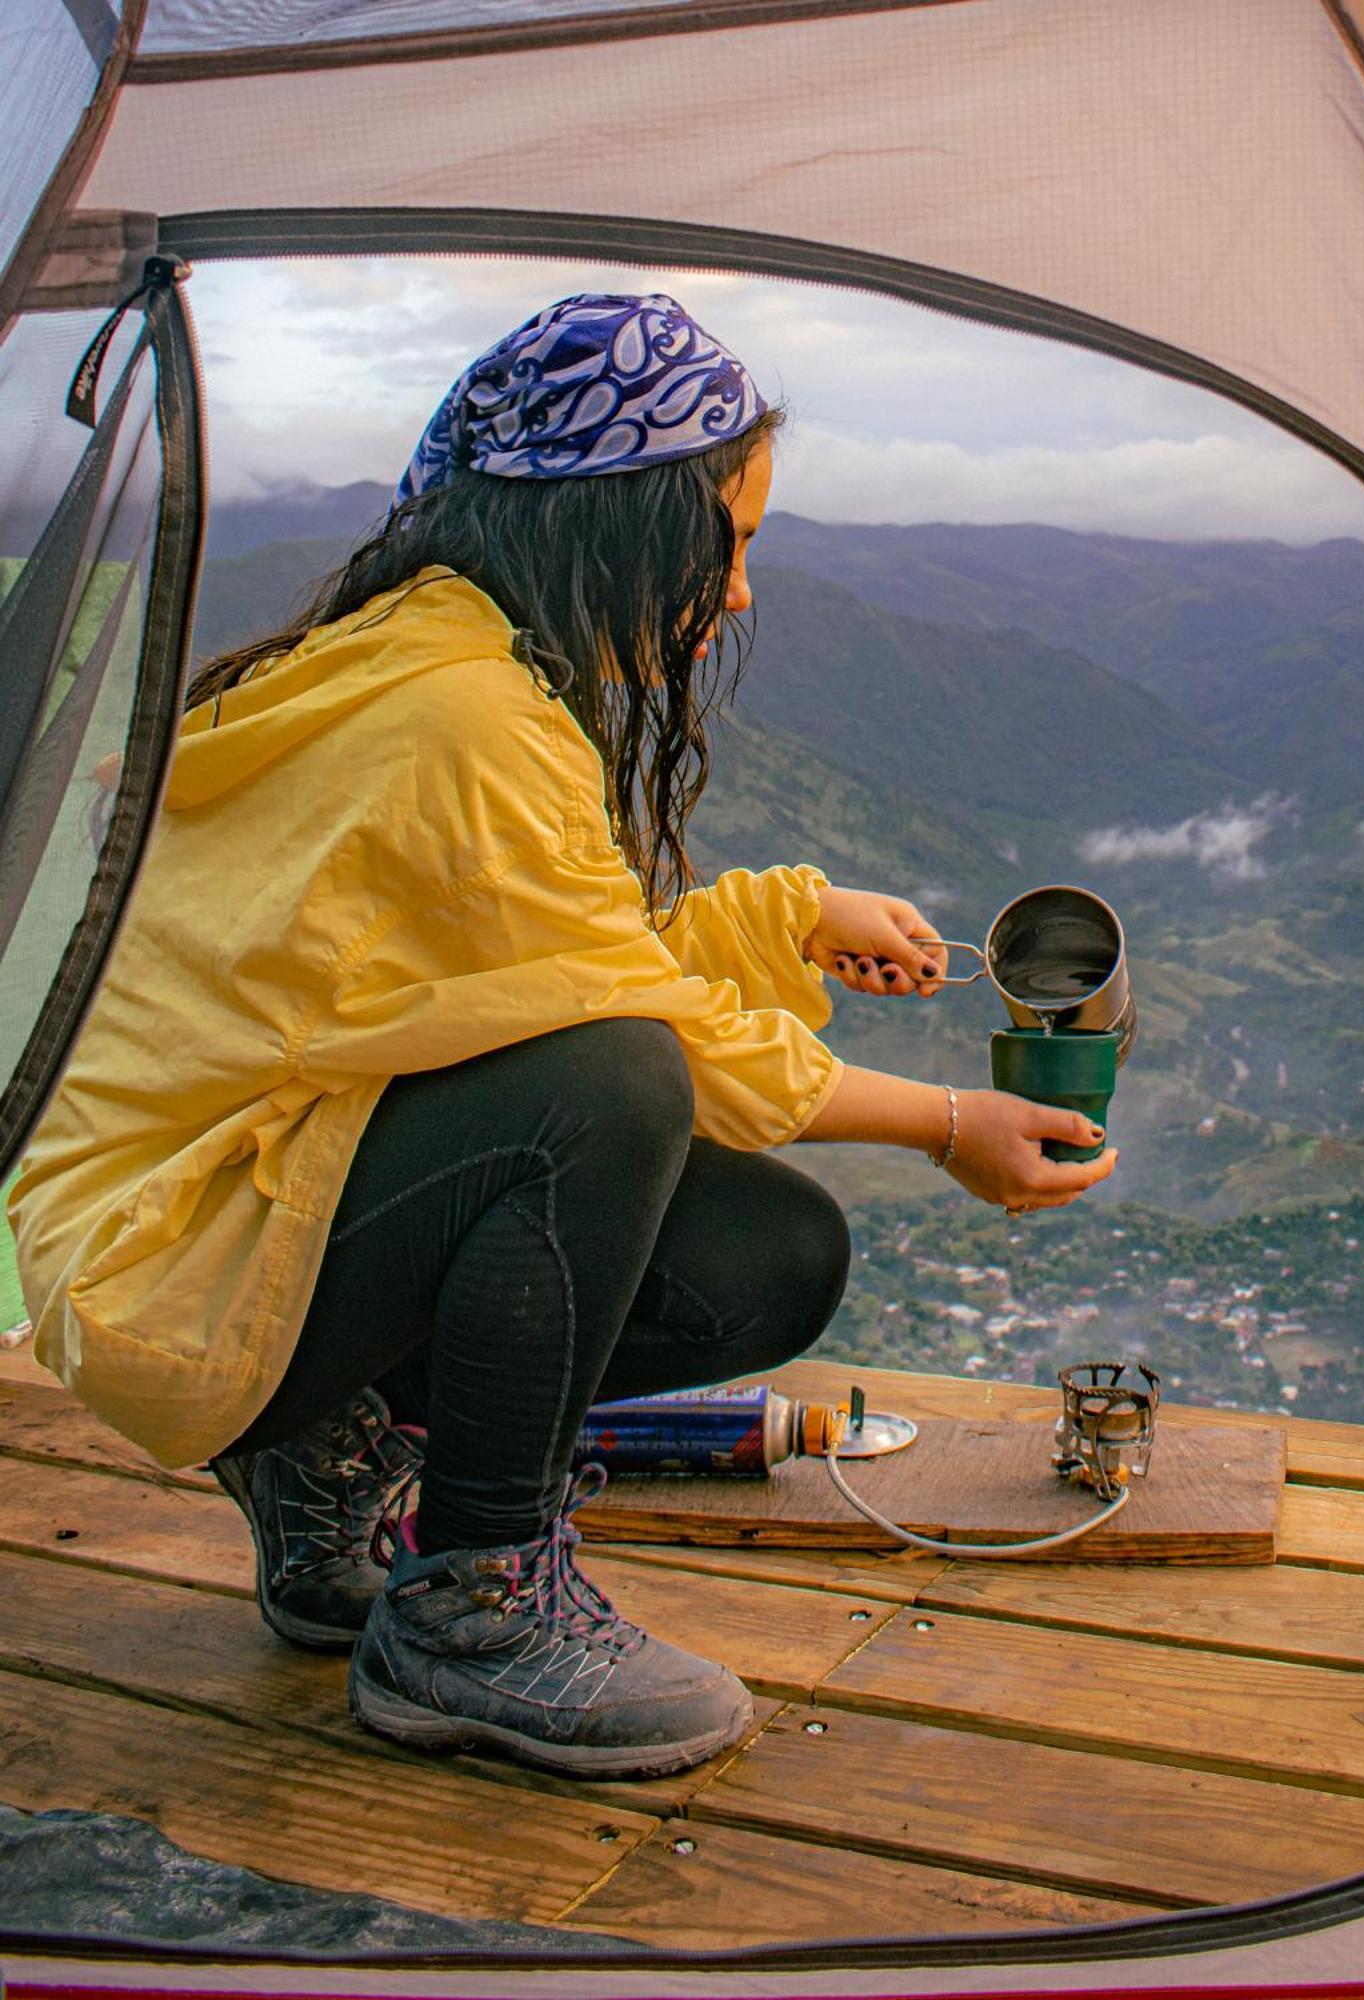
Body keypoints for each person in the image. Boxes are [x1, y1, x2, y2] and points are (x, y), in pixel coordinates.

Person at [6, 293, 1117, 1780]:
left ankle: (320, 1449)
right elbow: (622, 1028)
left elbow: (536, 968)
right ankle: (475, 1607)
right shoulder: (463, 714)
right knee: (610, 1091)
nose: (736, 599)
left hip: (248, 1200)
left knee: (768, 1254)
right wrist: (947, 1125)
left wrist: (788, 918)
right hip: (173, 1264)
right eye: (728, 545)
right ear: (627, 526)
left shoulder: (438, 655)